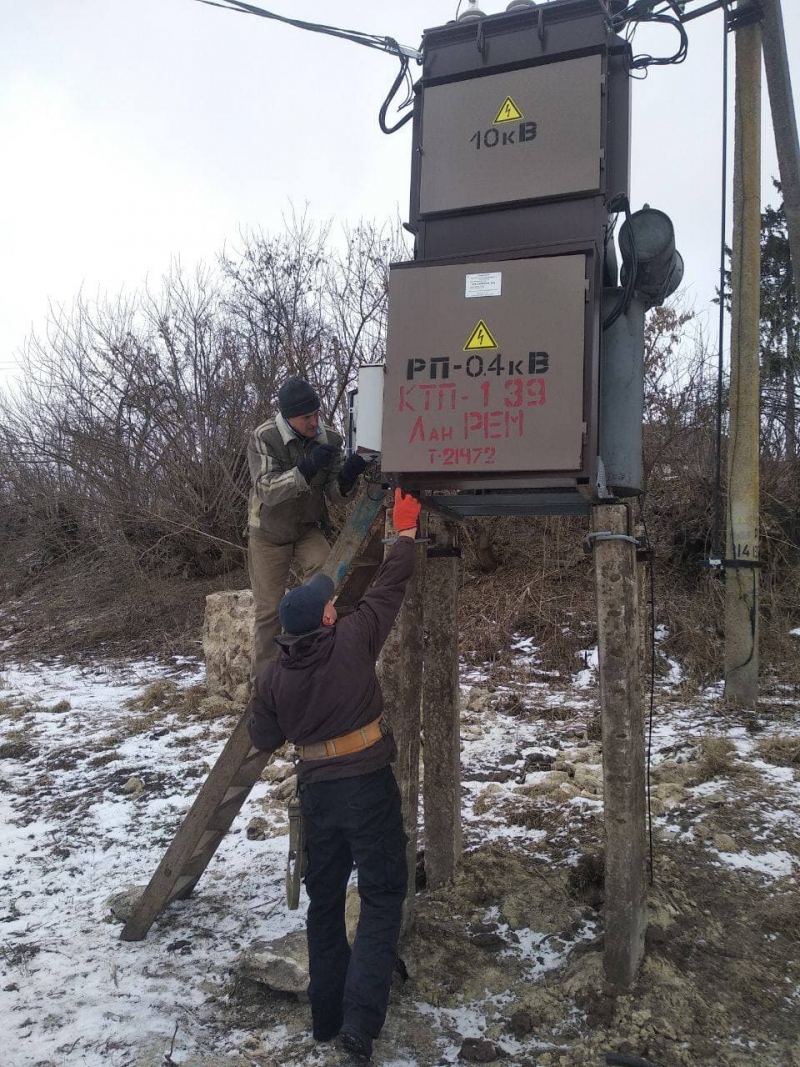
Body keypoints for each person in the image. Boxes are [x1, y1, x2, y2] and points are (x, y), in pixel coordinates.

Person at [247, 487, 422, 1062]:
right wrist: (405, 533)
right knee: (382, 895)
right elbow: (389, 587)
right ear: (326, 617)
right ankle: (357, 1029)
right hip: (367, 785)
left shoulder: (273, 676)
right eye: (329, 603)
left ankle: (326, 1019)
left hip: (316, 792)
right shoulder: (352, 638)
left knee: (325, 904)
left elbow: (263, 738)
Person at [247, 376, 367, 678]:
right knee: (269, 611)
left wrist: (348, 477)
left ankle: (320, 663)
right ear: (288, 418)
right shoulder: (264, 437)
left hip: (306, 528)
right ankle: (266, 682)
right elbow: (267, 490)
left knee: (327, 581)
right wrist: (305, 468)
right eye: (306, 417)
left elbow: (336, 497)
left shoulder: (329, 438)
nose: (314, 422)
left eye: (317, 413)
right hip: (269, 534)